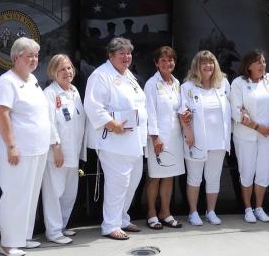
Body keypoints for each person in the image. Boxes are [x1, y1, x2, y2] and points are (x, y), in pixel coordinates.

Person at [0, 37, 54, 256]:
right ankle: (8, 243)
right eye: (30, 56)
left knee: (30, 194)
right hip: (18, 148)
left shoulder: (32, 79)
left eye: (36, 56)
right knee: (15, 194)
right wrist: (11, 145)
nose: (34, 60)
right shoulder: (7, 81)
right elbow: (2, 114)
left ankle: (23, 237)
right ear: (16, 57)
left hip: (37, 148)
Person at [84, 37, 148, 240]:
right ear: (111, 55)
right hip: (113, 140)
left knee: (132, 180)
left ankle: (122, 218)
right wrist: (113, 125)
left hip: (134, 140)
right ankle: (110, 225)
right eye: (121, 53)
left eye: (129, 53)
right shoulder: (101, 75)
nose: (126, 57)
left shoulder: (129, 75)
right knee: (117, 183)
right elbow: (93, 106)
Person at [180, 50, 231, 226]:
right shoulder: (187, 87)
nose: (208, 66)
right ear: (197, 66)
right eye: (204, 63)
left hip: (219, 140)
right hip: (196, 140)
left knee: (213, 177)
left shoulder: (223, 84)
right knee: (194, 178)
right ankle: (193, 213)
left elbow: (233, 105)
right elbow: (182, 112)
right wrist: (188, 132)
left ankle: (211, 212)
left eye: (211, 62)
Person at [229, 49, 269, 223]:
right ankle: (248, 209)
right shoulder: (239, 83)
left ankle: (259, 207)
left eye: (264, 62)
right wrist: (258, 127)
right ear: (249, 65)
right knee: (247, 171)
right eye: (258, 62)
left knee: (263, 172)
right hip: (246, 136)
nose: (262, 65)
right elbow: (237, 111)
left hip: (267, 135)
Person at [42, 54, 87, 245]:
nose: (67, 72)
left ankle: (61, 226)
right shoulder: (50, 93)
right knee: (54, 193)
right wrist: (56, 147)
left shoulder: (74, 91)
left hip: (73, 152)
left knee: (69, 193)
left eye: (69, 68)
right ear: (53, 72)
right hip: (57, 153)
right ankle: (53, 231)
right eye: (62, 69)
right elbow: (49, 123)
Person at [143, 46, 186, 230]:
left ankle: (165, 212)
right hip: (158, 138)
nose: (167, 63)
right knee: (155, 176)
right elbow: (150, 113)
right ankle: (152, 212)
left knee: (169, 176)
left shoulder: (177, 83)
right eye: (163, 60)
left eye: (171, 60)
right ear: (156, 63)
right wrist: (155, 138)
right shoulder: (151, 84)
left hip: (175, 137)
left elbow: (180, 109)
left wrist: (186, 115)